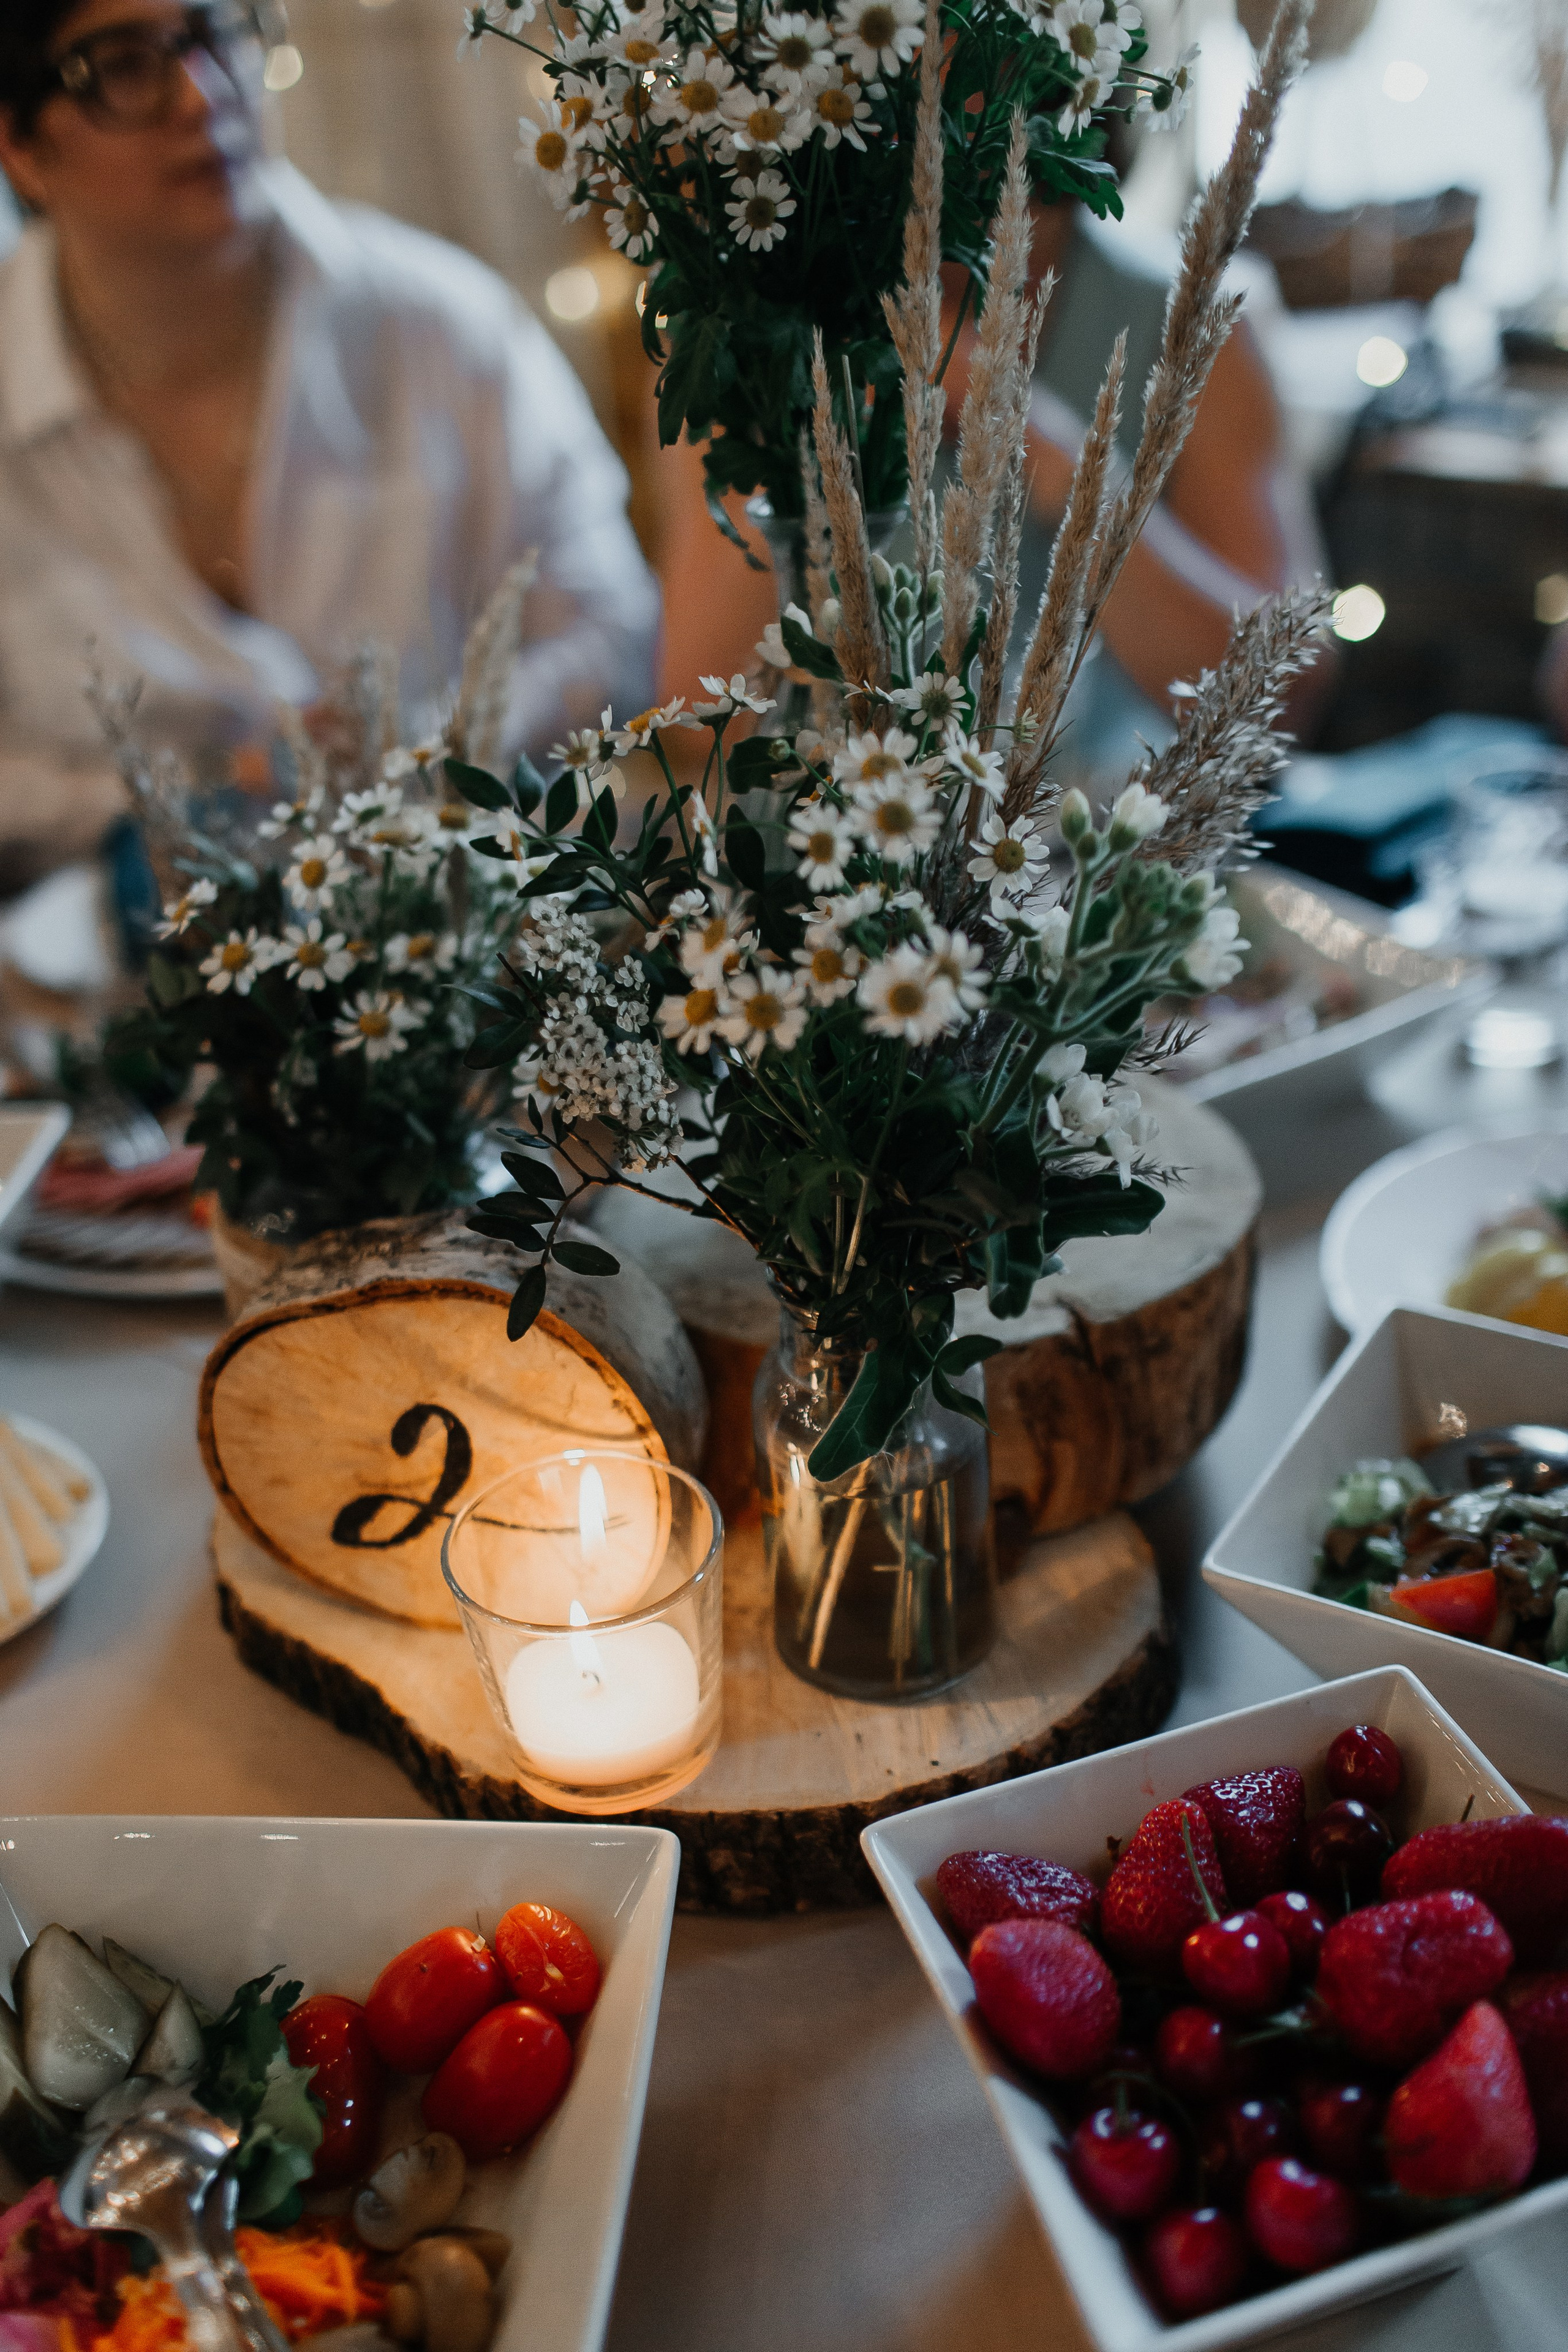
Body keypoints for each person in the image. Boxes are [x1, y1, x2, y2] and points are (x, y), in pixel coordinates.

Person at [0, 0, 659, 898]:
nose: (202, 96)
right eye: (123, 67)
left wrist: (432, 747)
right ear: (21, 149)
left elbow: (613, 631)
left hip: (477, 948)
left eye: (216, 34)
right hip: (118, 1002)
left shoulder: (440, 325)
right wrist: (185, 798)